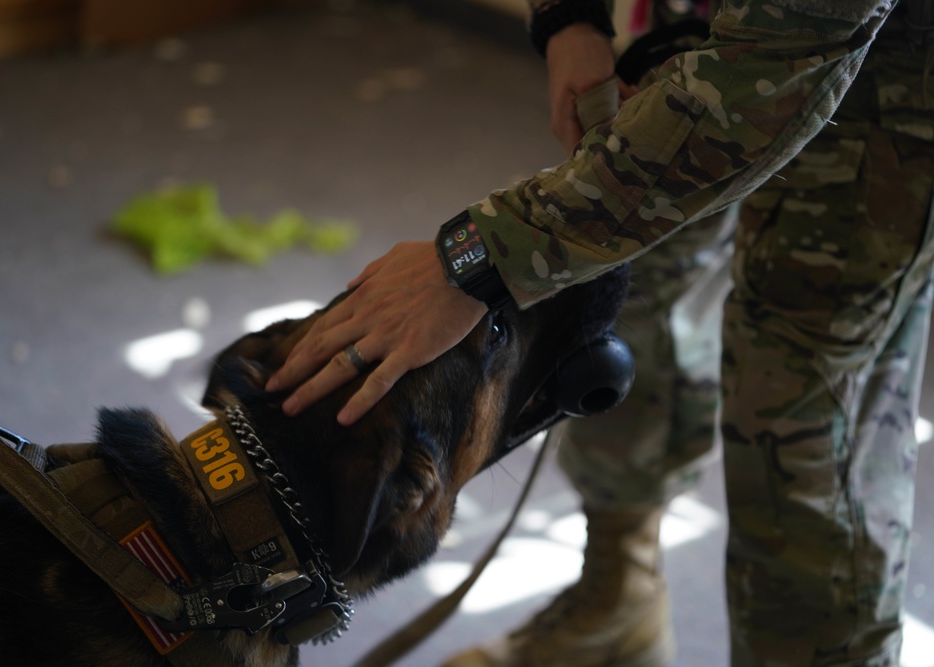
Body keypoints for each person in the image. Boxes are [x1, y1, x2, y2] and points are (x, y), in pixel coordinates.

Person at [266, 0, 934, 664]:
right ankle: (620, 598)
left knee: (799, 419)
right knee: (617, 303)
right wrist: (570, 19)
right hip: (703, 28)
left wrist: (478, 257)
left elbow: (778, 60)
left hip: (888, 78)